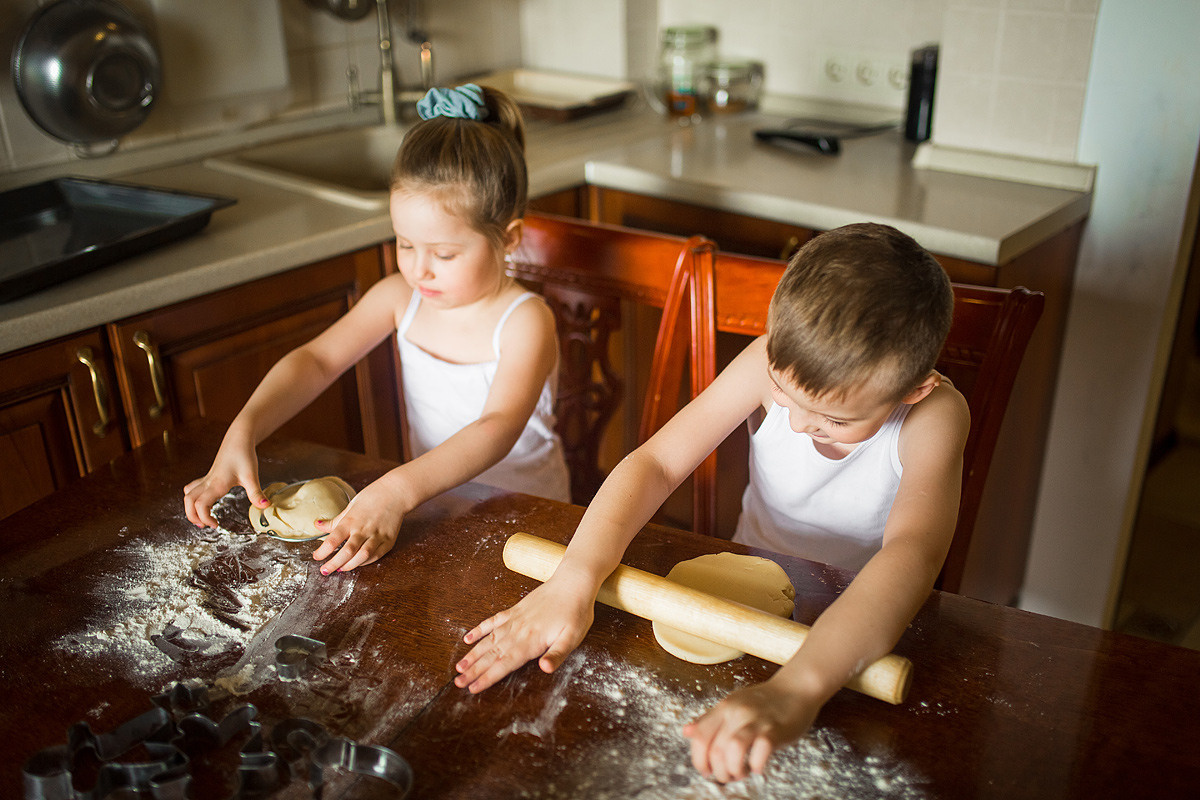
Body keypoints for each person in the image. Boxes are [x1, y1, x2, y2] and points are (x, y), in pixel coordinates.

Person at [453, 222, 970, 782]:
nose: (796, 424)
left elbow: (912, 554)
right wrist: (572, 581)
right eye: (782, 393)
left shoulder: (934, 415)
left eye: (834, 420)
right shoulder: (765, 357)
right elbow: (657, 463)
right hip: (746, 595)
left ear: (915, 388)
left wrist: (796, 691)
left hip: (861, 627)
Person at [184, 84, 570, 573]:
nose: (419, 269)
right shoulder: (398, 297)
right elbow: (316, 361)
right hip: (433, 514)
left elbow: (496, 428)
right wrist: (246, 428)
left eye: (445, 254)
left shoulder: (525, 321)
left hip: (533, 528)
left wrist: (395, 488)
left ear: (508, 239)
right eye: (405, 244)